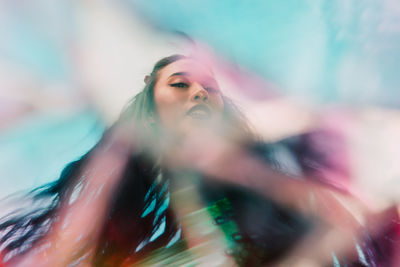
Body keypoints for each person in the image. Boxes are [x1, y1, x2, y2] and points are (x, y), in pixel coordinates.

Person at [0, 55, 397, 266]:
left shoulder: (272, 176)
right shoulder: (106, 187)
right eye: (179, 84)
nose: (198, 94)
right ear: (149, 104)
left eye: (210, 88)